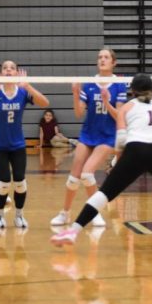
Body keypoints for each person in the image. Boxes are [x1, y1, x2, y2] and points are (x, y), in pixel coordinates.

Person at [51, 73, 152, 251]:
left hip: (136, 149)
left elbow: (121, 140)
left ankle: (73, 231)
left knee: (105, 194)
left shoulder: (126, 107)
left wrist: (117, 162)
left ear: (132, 91)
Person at [50, 48, 129, 228]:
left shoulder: (120, 85)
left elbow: (120, 117)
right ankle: (65, 214)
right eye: (100, 57)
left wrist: (107, 102)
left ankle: (95, 214)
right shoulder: (90, 84)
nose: (102, 60)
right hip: (88, 134)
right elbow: (78, 113)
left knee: (87, 173)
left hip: (107, 136)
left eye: (106, 57)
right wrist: (76, 94)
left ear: (113, 63)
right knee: (73, 178)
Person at [0, 59, 50, 230]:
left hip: (17, 145)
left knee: (20, 182)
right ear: (1, 74)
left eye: (12, 68)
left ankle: (19, 215)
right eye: (5, 68)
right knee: (3, 183)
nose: (8, 70)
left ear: (16, 73)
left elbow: (45, 103)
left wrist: (28, 86)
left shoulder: (22, 92)